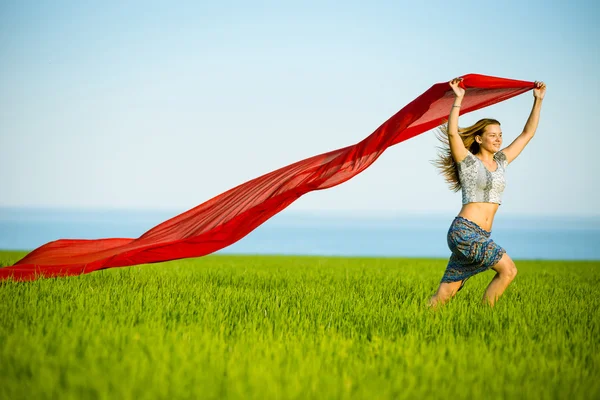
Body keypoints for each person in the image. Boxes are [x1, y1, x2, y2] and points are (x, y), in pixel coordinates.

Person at [428, 77, 546, 308]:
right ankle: (486, 317)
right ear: (479, 139)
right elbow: (453, 134)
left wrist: (538, 101)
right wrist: (457, 100)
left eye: (500, 134)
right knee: (509, 270)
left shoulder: (502, 161)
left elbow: (527, 134)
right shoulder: (468, 162)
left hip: (482, 235)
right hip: (464, 231)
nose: (499, 139)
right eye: (493, 135)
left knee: (444, 296)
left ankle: (417, 319)